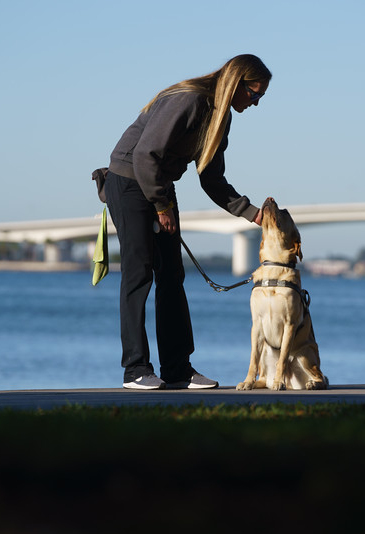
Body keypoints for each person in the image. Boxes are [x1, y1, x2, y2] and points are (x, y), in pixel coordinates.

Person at [103, 54, 272, 390]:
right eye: (254, 95)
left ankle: (177, 369)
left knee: (172, 277)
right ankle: (135, 370)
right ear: (236, 83)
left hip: (159, 187)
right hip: (129, 182)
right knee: (139, 274)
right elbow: (144, 154)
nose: (255, 104)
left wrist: (253, 213)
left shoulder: (220, 118)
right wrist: (161, 204)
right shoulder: (191, 99)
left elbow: (212, 179)